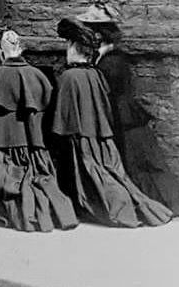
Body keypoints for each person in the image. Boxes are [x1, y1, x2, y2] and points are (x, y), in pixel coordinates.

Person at [77, 1, 179, 216]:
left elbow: (111, 90)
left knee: (139, 163)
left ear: (101, 34)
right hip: (118, 114)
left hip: (123, 117)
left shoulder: (112, 61)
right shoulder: (104, 56)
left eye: (92, 30)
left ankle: (151, 202)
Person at [51, 18, 172, 228]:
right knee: (113, 172)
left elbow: (61, 116)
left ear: (74, 49)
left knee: (97, 176)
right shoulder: (94, 73)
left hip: (81, 139)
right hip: (101, 137)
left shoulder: (69, 77)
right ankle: (137, 205)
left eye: (69, 46)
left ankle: (118, 208)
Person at [0, 28, 77, 232]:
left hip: (2, 142)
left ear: (0, 51)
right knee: (39, 179)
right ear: (19, 47)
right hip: (33, 143)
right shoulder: (38, 75)